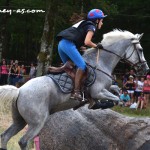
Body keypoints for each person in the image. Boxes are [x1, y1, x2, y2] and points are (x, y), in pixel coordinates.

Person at [53, 9, 107, 101]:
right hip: (68, 45)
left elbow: (78, 37)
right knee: (82, 66)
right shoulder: (91, 26)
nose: (102, 23)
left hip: (62, 45)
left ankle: (66, 89)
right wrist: (97, 46)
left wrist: (81, 47)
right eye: (101, 20)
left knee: (70, 67)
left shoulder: (84, 23)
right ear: (97, 20)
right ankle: (76, 92)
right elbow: (87, 41)